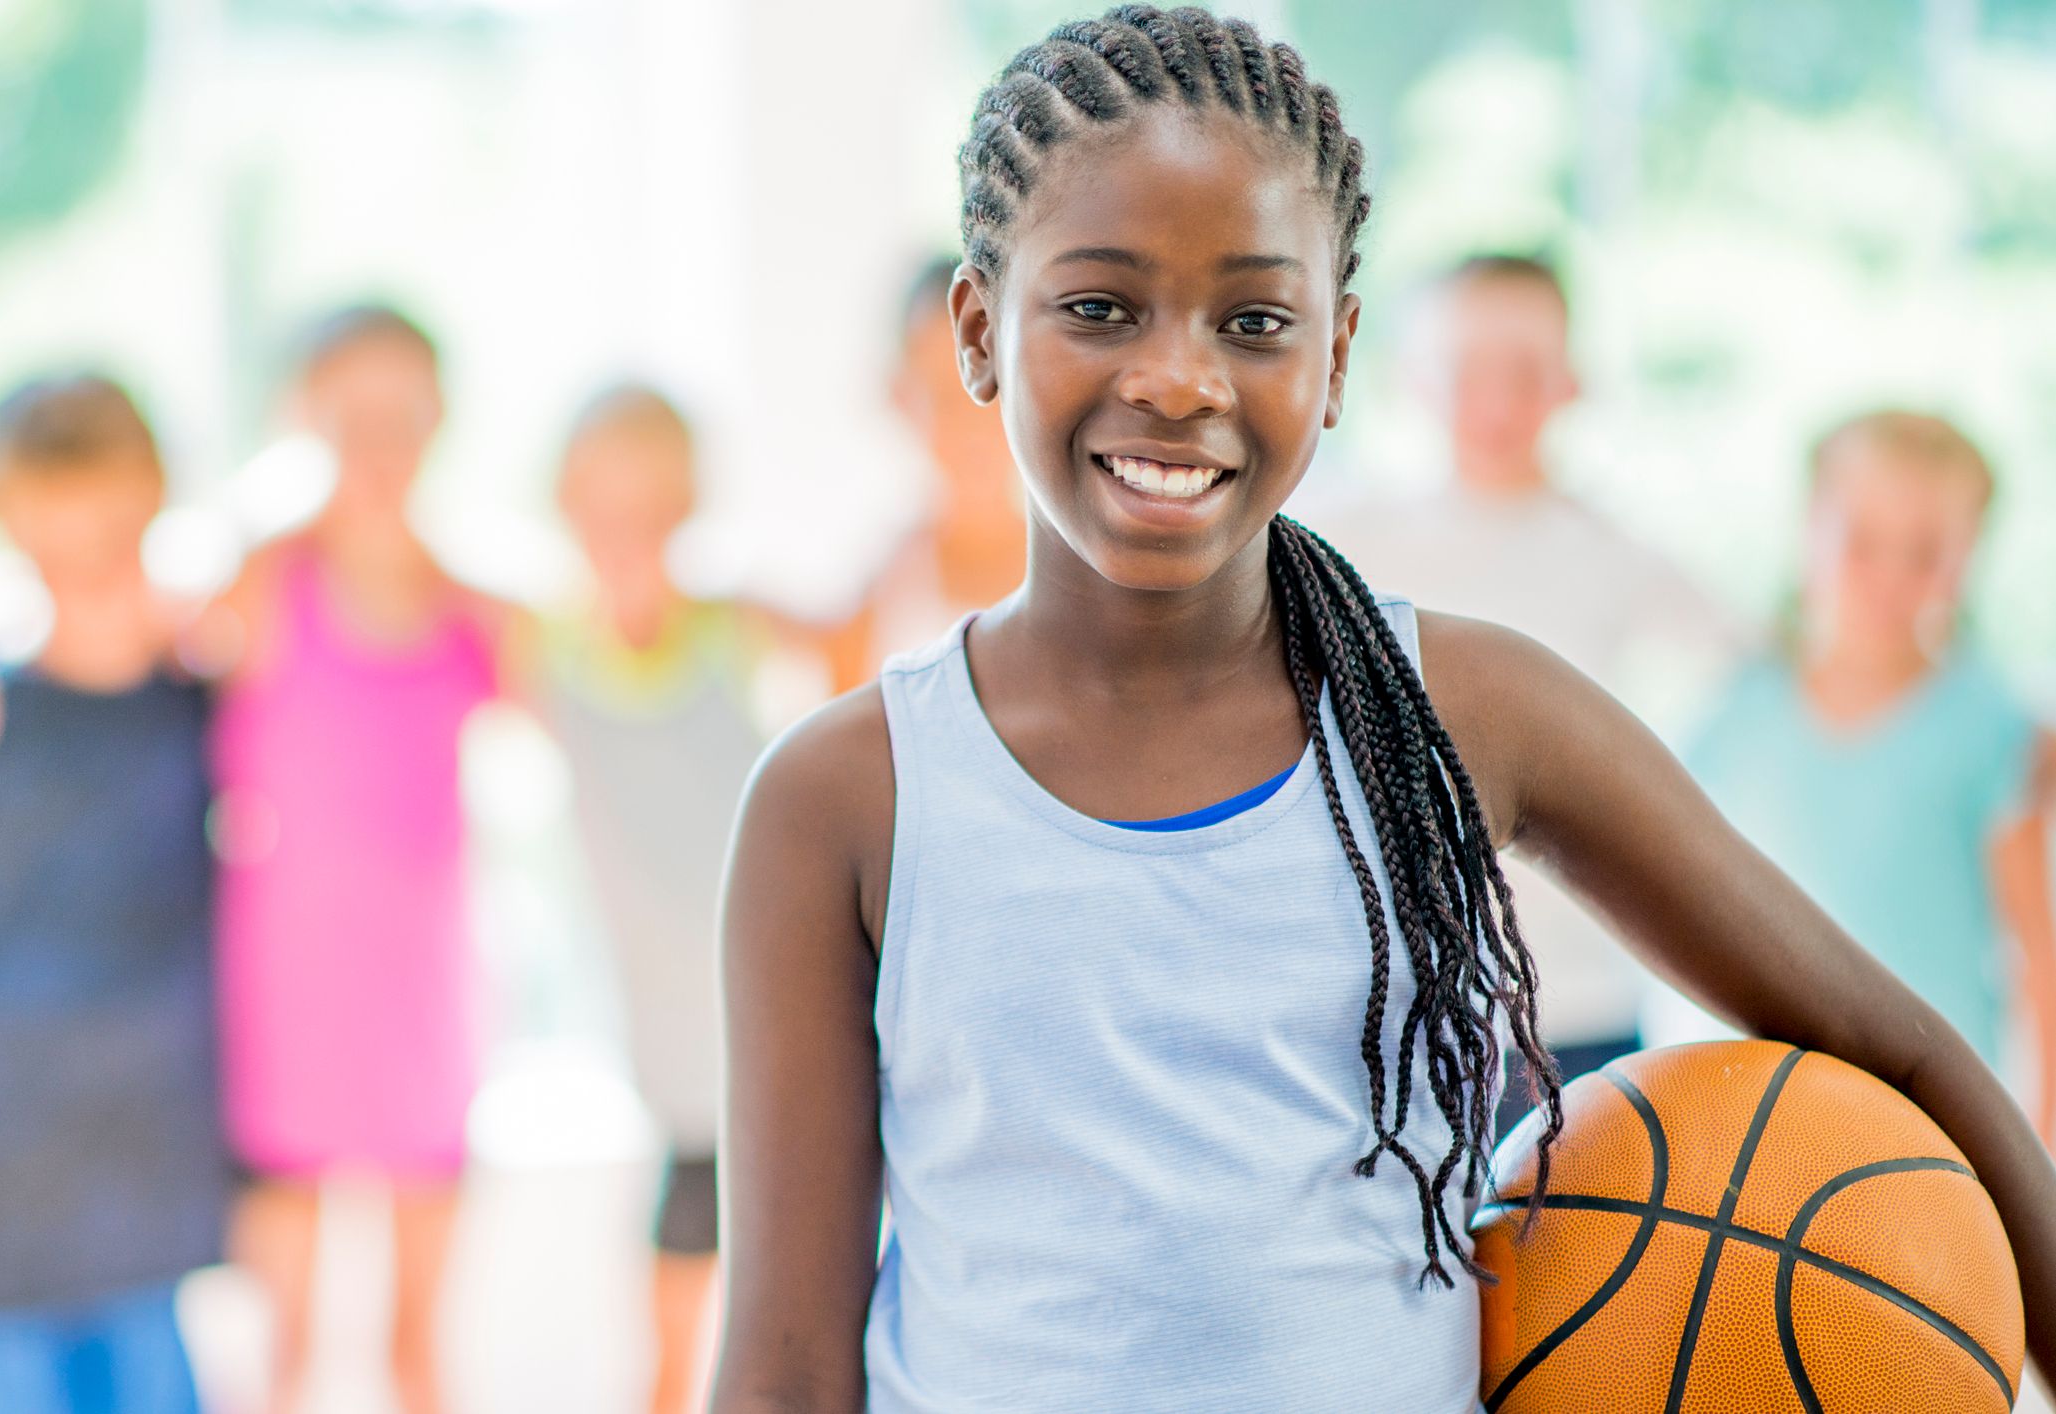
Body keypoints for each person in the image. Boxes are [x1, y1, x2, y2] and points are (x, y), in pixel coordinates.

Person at [709, 8, 2056, 1409]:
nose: (1178, 376)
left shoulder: (1470, 710)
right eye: (1101, 305)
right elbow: (786, 1362)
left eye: (1255, 319)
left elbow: (1896, 1048)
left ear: (1337, 357)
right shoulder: (843, 797)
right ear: (981, 330)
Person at [1318, 254, 1740, 1127]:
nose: (1497, 400)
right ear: (1409, 378)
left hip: (1576, 1006)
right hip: (1383, 1000)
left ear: (1570, 383)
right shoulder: (1337, 538)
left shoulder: (1608, 549)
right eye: (1468, 369)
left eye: (1525, 371)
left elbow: (1763, 665)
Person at [202, 306, 517, 1414]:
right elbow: (111, 653)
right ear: (305, 416)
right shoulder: (256, 589)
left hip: (425, 1014)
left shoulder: (474, 610)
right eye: (353, 415)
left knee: (417, 1354)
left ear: (439, 422)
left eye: (403, 415)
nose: (379, 442)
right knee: (280, 1354)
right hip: (286, 1020)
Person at [0, 376, 233, 1411]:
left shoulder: (212, 693)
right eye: (56, 549)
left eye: (109, 536)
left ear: (154, 499)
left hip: (154, 1208)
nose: (88, 574)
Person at [1642, 411, 2056, 1145]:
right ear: (1808, 528)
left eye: (1926, 551)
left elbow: (2037, 959)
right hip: (1760, 1103)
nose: (1891, 577)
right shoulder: (1736, 714)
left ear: (1972, 554)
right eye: (1862, 543)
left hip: (1937, 1117)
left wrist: (2041, 1143)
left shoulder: (1993, 729)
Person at [543, 385, 766, 1412]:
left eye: (652, 506)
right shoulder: (542, 653)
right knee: (667, 1367)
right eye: (604, 507)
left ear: (689, 506)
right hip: (679, 1080)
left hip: (795, 1050)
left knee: (801, 1345)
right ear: (565, 506)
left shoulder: (750, 633)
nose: (627, 534)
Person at [815, 257, 1029, 690]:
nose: (975, 420)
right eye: (946, 395)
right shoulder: (882, 592)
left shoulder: (1082, 582)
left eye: (993, 386)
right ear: (901, 396)